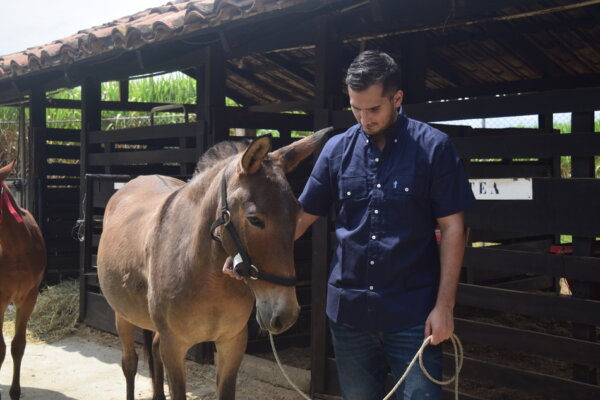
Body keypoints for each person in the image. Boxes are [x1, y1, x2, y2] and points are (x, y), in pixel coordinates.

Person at [224, 50, 476, 400]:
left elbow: (453, 229)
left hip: (414, 315)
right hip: (349, 316)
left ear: (397, 98)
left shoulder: (434, 148)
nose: (364, 118)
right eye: (356, 108)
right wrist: (245, 254)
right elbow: (299, 220)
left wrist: (444, 307)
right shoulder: (336, 151)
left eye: (373, 109)